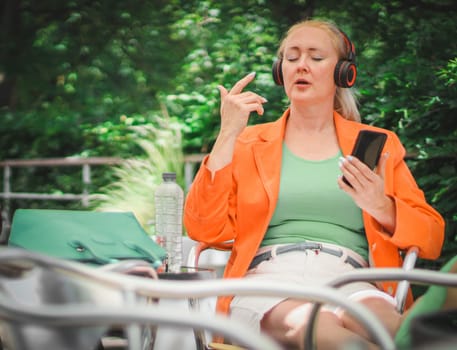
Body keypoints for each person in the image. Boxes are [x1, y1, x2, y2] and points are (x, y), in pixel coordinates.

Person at [184, 18, 445, 349]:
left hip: (353, 280)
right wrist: (227, 134)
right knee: (316, 328)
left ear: (343, 73)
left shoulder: (379, 145)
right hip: (269, 281)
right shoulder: (248, 142)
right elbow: (203, 229)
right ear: (281, 72)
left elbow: (432, 236)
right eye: (291, 58)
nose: (301, 66)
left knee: (397, 330)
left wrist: (381, 205)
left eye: (315, 57)